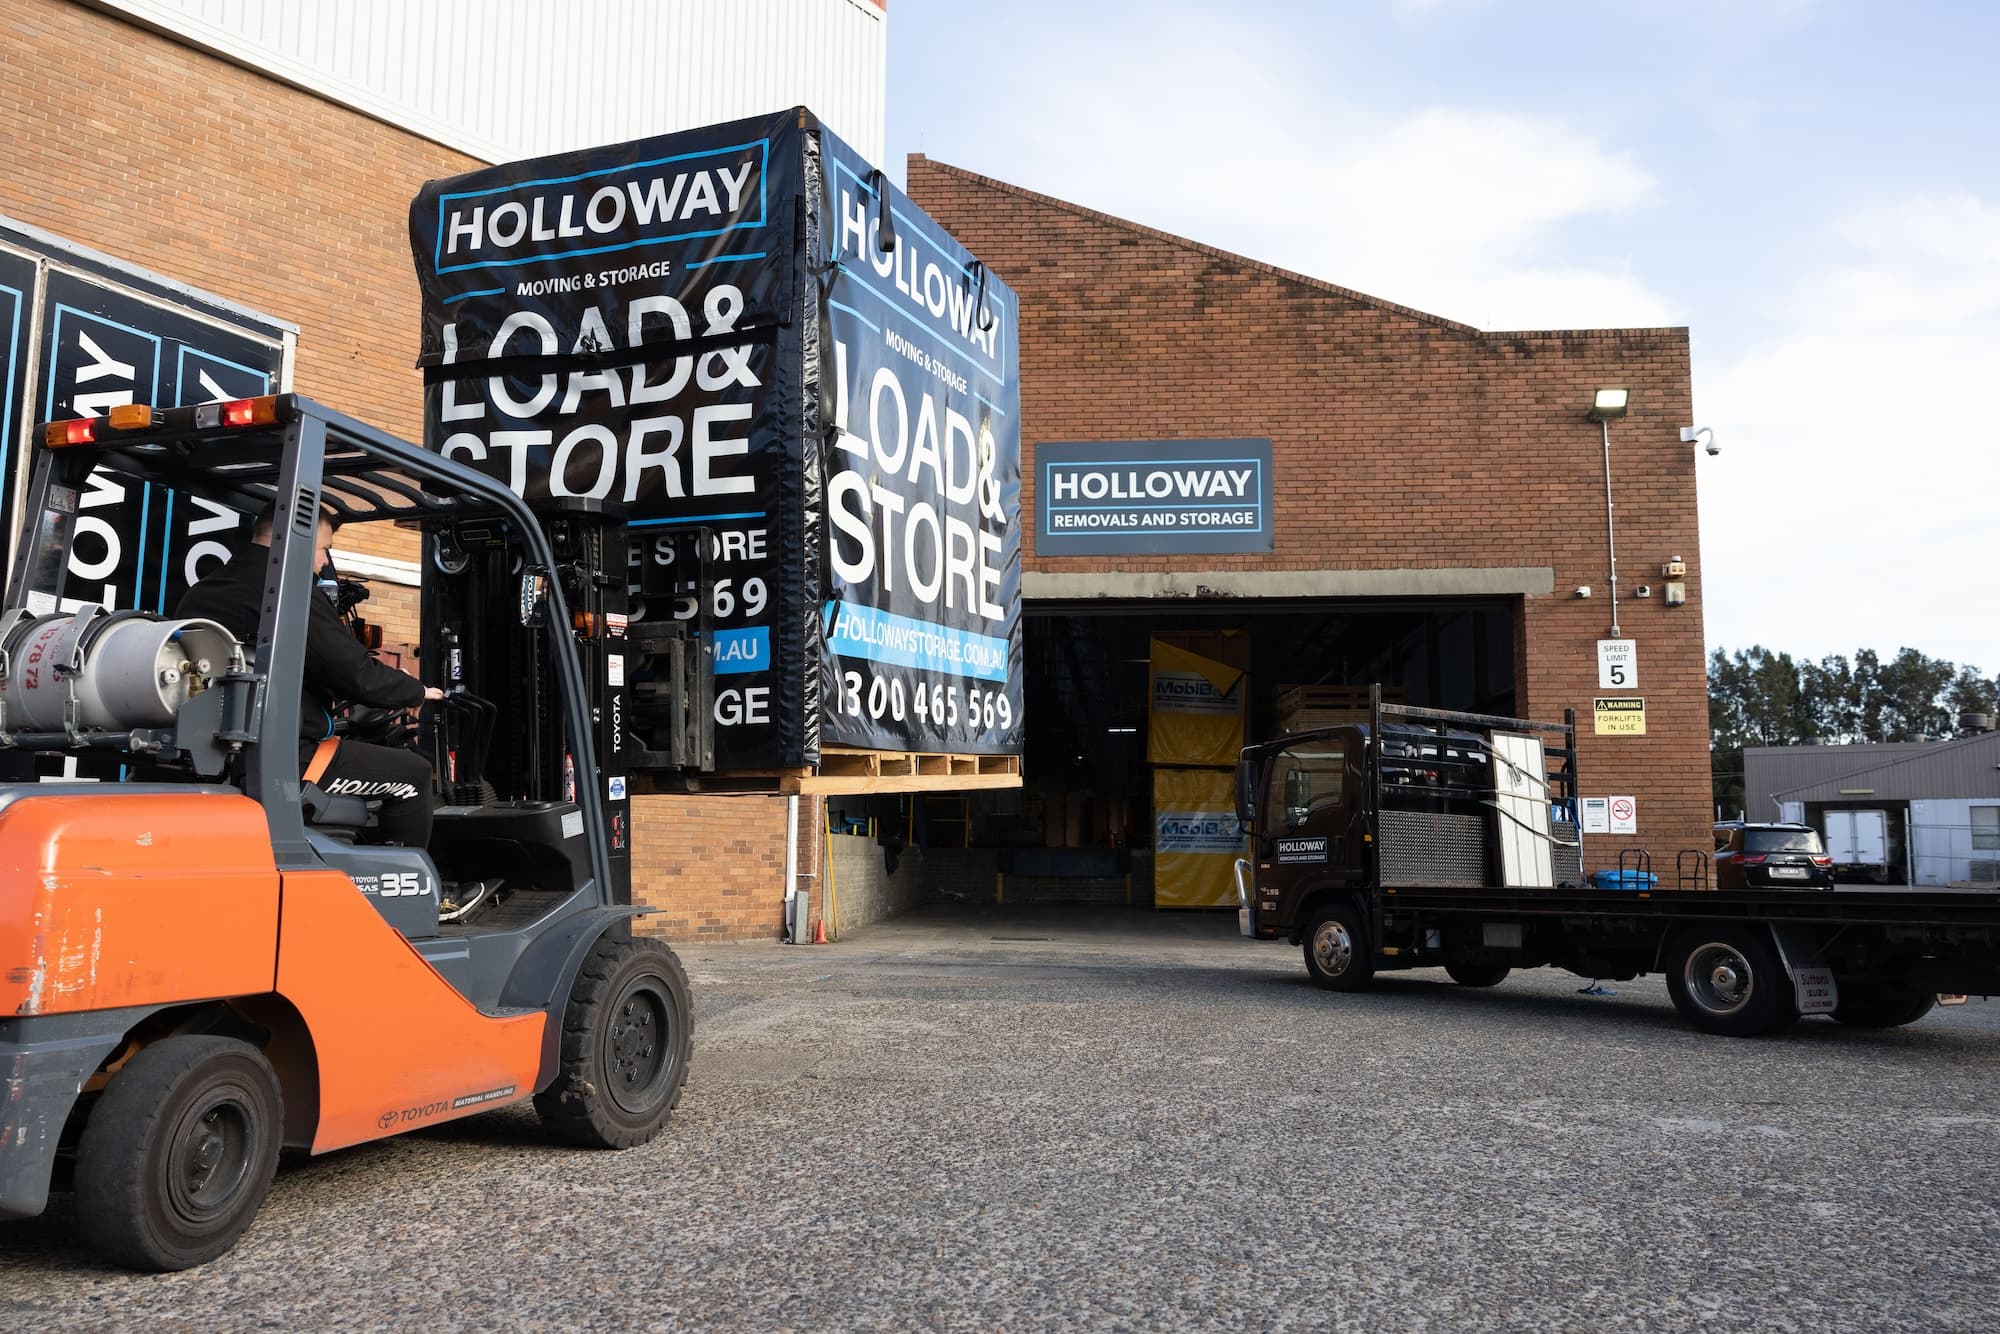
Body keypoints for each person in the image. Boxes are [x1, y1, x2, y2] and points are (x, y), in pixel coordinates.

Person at [177, 501, 444, 847]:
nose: (323, 564)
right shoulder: (287, 591)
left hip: (214, 747)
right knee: (413, 773)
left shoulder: (204, 591)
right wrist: (414, 692)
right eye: (323, 550)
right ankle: (415, 893)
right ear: (292, 540)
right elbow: (352, 670)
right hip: (277, 753)